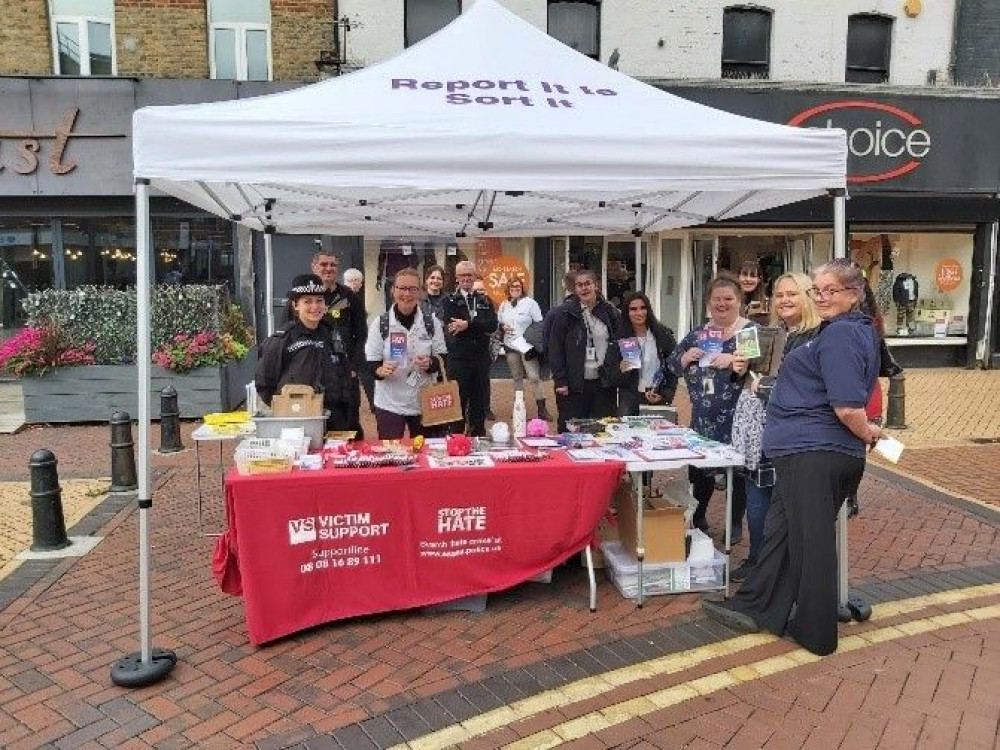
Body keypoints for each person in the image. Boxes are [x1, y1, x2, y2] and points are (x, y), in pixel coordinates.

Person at [703, 259, 882, 657]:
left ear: (854, 294)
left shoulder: (839, 335)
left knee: (811, 543)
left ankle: (815, 632)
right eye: (817, 290)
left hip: (815, 453)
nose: (821, 297)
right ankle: (757, 607)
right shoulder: (842, 332)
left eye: (829, 290)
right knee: (781, 535)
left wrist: (867, 431)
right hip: (804, 453)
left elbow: (848, 406)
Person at [728, 272, 821, 581]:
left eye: (792, 294)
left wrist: (765, 388)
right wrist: (740, 370)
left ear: (809, 296)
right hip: (760, 434)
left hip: (794, 436)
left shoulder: (818, 337)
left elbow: (809, 388)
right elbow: (752, 379)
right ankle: (758, 561)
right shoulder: (770, 333)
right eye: (780, 295)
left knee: (787, 508)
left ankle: (783, 569)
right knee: (756, 505)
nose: (784, 300)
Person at [667, 275, 752, 537]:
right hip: (703, 419)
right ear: (708, 303)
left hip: (739, 418)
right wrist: (684, 358)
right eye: (717, 299)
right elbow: (671, 366)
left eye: (729, 299)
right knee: (700, 470)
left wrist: (737, 360)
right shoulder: (698, 334)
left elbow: (763, 372)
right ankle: (700, 515)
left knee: (738, 472)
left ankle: (734, 523)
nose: (722, 304)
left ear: (740, 301)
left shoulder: (750, 334)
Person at [255, 274, 353, 432]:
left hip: (334, 418)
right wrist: (288, 407)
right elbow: (265, 383)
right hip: (297, 420)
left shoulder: (332, 334)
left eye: (319, 300)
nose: (315, 307)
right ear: (295, 305)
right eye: (307, 301)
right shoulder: (282, 339)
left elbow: (343, 371)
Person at [364, 267, 447, 439]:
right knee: (391, 454)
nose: (407, 294)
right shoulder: (381, 323)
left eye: (412, 289)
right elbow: (371, 363)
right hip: (390, 403)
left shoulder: (431, 323)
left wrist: (431, 363)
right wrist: (380, 370)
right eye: (402, 288)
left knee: (426, 453)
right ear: (393, 291)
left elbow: (443, 358)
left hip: (424, 401)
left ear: (420, 292)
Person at [547, 270, 621, 432]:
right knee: (571, 432)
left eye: (588, 283)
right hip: (574, 386)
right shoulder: (564, 313)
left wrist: (619, 373)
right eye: (579, 285)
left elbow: (620, 342)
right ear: (574, 289)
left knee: (603, 430)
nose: (584, 288)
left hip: (603, 384)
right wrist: (560, 380)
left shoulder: (610, 312)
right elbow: (555, 348)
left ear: (596, 285)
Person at [311, 248, 368, 439]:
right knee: (317, 424)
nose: (328, 268)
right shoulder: (303, 298)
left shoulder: (349, 297)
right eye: (324, 264)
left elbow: (361, 335)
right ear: (314, 267)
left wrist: (354, 366)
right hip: (314, 372)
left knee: (349, 424)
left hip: (344, 373)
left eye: (333, 265)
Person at [439, 261, 498, 436]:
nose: (466, 278)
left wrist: (468, 325)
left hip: (480, 360)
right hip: (458, 359)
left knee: (479, 403)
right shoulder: (448, 300)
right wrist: (477, 327)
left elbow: (492, 325)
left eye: (469, 275)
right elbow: (452, 327)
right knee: (457, 403)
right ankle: (456, 439)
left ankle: (477, 437)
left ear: (474, 276)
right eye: (462, 275)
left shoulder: (484, 300)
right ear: (456, 278)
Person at [604, 291, 678, 417]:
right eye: (633, 309)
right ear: (627, 313)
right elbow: (610, 377)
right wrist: (620, 369)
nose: (639, 313)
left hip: (656, 396)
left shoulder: (663, 335)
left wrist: (665, 394)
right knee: (627, 434)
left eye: (643, 308)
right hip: (629, 399)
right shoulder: (619, 339)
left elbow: (673, 369)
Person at [497, 277, 551, 420]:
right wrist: (502, 328)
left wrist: (533, 340)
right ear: (508, 289)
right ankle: (519, 408)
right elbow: (499, 323)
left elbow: (540, 324)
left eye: (518, 286)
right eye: (512, 286)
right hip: (510, 345)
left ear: (522, 288)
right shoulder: (504, 305)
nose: (515, 288)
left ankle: (542, 408)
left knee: (534, 377)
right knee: (517, 378)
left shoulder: (530, 303)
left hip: (527, 346)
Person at [737, 260, 769, 324]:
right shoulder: (730, 300)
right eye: (744, 275)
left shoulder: (766, 304)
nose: (748, 279)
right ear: (738, 277)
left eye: (753, 276)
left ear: (759, 279)